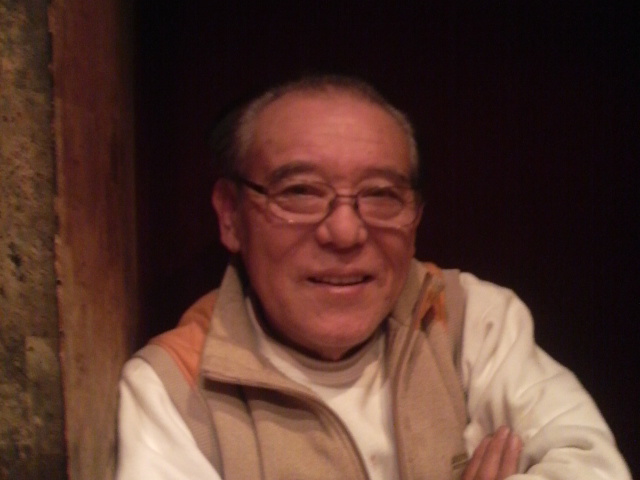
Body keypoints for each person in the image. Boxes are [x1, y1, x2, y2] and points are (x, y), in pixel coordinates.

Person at [116, 76, 631, 480]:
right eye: (300, 192)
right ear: (231, 216)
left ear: (416, 217)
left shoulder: (467, 318)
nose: (345, 232)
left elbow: (592, 466)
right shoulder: (174, 386)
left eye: (382, 195)